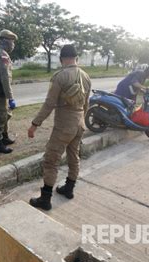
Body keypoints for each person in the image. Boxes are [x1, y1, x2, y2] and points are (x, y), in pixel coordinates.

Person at [27, 44, 91, 211]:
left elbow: (49, 104)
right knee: (73, 155)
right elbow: (86, 104)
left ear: (62, 59)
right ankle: (69, 189)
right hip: (79, 123)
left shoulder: (60, 77)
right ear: (76, 58)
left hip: (64, 126)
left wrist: (35, 124)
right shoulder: (86, 76)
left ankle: (45, 199)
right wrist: (82, 121)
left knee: (51, 160)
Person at [0, 29, 18, 154]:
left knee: (5, 114)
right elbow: (5, 77)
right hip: (2, 91)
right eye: (12, 42)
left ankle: (4, 137)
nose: (13, 45)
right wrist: (10, 97)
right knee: (0, 116)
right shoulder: (3, 54)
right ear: (6, 41)